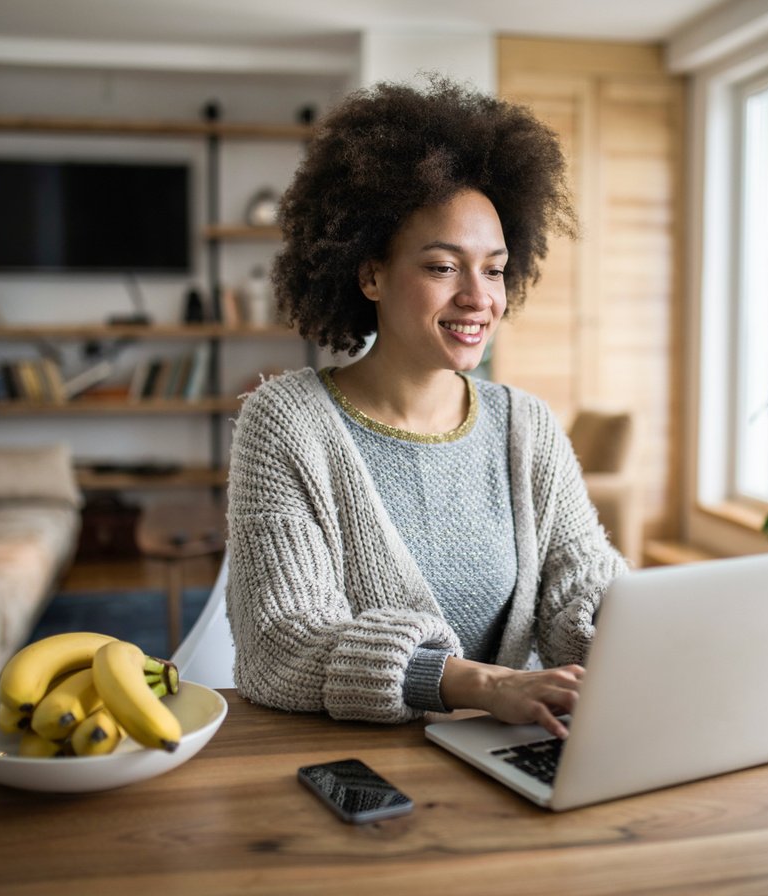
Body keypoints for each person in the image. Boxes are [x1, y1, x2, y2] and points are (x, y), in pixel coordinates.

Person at [225, 77, 628, 739]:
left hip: (514, 752)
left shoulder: (526, 425)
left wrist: (629, 629)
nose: (479, 298)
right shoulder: (287, 423)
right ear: (371, 274)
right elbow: (283, 645)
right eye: (444, 267)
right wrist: (479, 684)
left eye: (494, 269)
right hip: (361, 769)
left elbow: (580, 584)